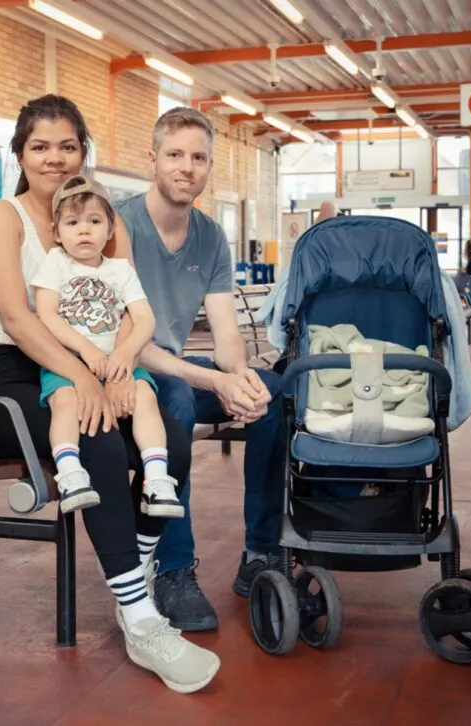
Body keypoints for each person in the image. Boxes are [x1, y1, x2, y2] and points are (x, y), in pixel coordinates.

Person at [0, 94, 219, 692]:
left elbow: (129, 306)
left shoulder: (104, 219)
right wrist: (84, 378)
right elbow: (19, 319)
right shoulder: (2, 217)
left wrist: (120, 368)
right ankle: (141, 619)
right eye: (40, 147)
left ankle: (134, 578)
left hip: (95, 363)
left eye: (67, 146)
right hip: (12, 379)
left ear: (83, 152)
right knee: (100, 439)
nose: (54, 158)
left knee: (170, 440)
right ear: (20, 154)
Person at [113, 107, 285, 632]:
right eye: (175, 155)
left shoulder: (210, 237)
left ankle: (261, 552)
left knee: (274, 394)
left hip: (174, 368)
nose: (186, 167)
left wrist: (240, 377)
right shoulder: (117, 226)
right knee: (179, 398)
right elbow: (129, 345)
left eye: (198, 158)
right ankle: (173, 569)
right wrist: (213, 379)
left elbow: (226, 334)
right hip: (123, 375)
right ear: (152, 160)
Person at [32, 174, 183, 519]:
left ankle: (156, 480)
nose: (83, 230)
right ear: (57, 233)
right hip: (69, 363)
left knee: (145, 397)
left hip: (116, 364)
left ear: (111, 229)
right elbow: (46, 314)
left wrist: (125, 353)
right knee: (64, 401)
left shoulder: (120, 270)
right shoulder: (56, 262)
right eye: (72, 223)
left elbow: (144, 319)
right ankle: (70, 474)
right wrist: (85, 349)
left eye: (94, 221)